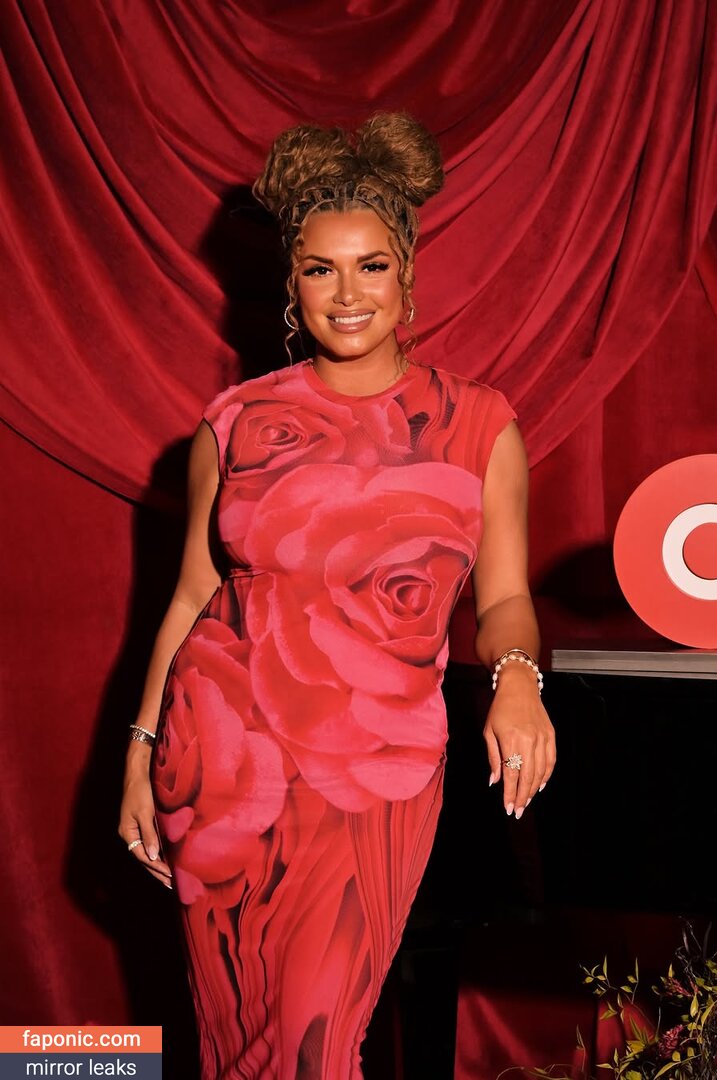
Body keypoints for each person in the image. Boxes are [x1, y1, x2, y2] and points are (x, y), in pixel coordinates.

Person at [118, 112, 555, 1080]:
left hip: (374, 777)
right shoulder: (233, 423)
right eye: (321, 269)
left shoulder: (480, 425)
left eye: (371, 266)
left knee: (318, 1047)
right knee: (234, 1047)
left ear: (407, 274)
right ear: (293, 283)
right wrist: (142, 751)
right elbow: (191, 595)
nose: (347, 294)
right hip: (218, 758)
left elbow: (504, 600)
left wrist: (520, 678)